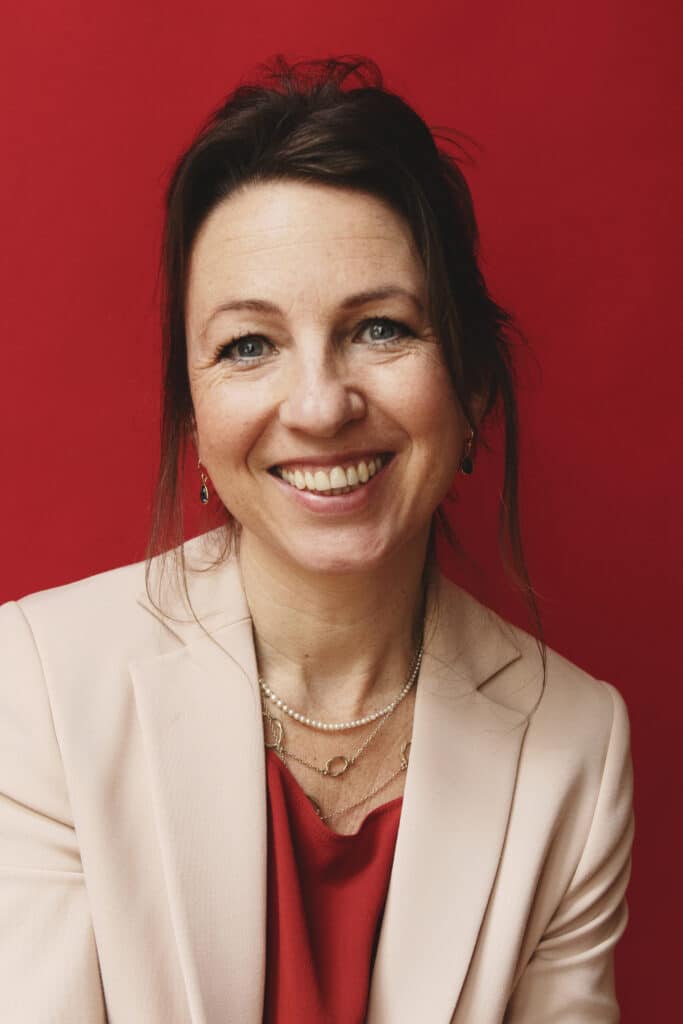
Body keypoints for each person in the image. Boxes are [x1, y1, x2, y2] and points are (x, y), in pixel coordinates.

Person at [0, 56, 634, 1023]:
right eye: (248, 345)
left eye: (379, 328)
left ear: (470, 388)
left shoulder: (575, 744)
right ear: (194, 417)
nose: (320, 406)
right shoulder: (36, 686)